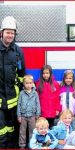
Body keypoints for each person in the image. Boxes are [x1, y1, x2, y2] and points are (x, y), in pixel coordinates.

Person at [0, 16, 25, 148]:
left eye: (12, 33)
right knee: (1, 127)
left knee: (12, 127)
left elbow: (21, 74)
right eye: (7, 32)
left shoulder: (17, 51)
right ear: (2, 32)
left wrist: (20, 91)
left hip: (13, 98)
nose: (10, 35)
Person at [17, 75, 41, 148]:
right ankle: (22, 145)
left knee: (32, 132)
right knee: (22, 132)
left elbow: (38, 104)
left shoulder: (35, 93)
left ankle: (32, 145)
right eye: (27, 83)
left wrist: (37, 114)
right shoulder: (21, 93)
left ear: (32, 83)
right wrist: (19, 115)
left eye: (30, 83)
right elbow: (19, 104)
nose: (29, 85)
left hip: (32, 116)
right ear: (24, 84)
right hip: (23, 116)